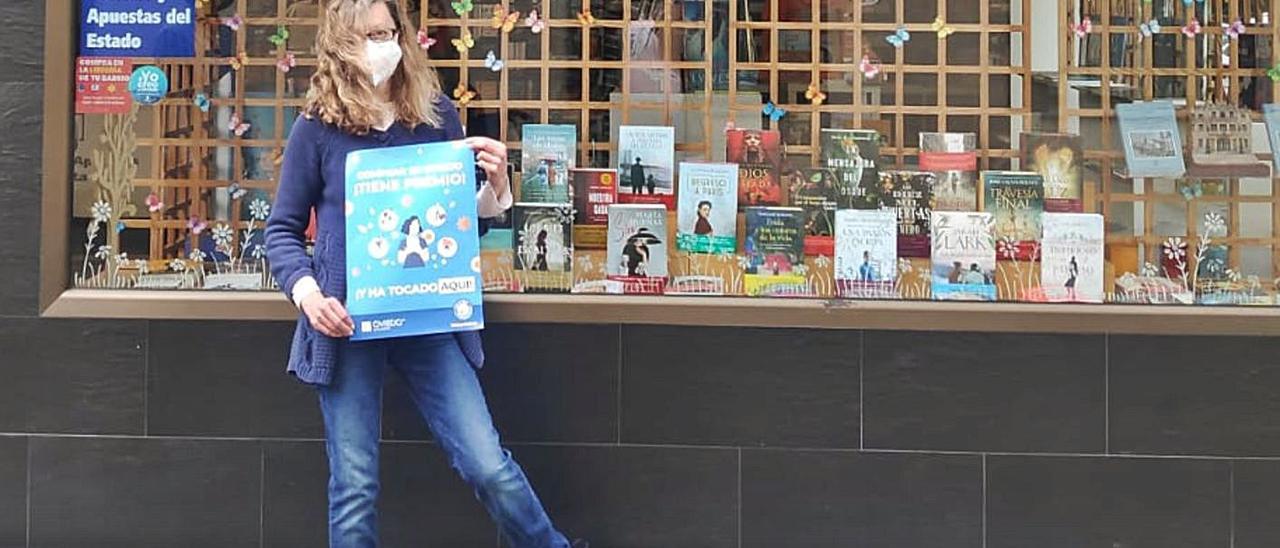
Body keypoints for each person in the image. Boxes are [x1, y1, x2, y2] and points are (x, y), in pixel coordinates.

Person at [264, 2, 582, 547]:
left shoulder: (435, 116)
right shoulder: (317, 128)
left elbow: (461, 227)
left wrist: (497, 185)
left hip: (429, 317)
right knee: (354, 484)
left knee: (487, 462)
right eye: (366, 36)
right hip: (347, 324)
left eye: (388, 32)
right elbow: (282, 231)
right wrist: (309, 295)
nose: (380, 45)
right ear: (341, 45)